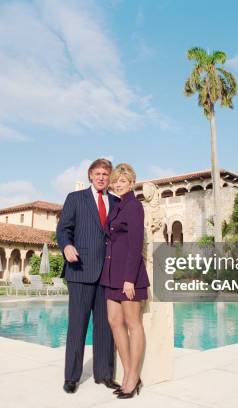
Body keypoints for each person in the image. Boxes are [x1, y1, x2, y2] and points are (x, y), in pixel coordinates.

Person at [56, 158, 121, 394]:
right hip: (80, 269)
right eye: (98, 173)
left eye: (106, 173)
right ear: (90, 175)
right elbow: (63, 229)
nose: (102, 177)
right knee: (77, 326)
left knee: (106, 326)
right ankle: (72, 377)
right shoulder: (76, 199)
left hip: (108, 274)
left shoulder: (116, 202)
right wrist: (66, 247)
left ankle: (104, 374)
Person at [99, 163, 149, 399]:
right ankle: (130, 373)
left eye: (123, 181)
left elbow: (135, 244)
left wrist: (129, 278)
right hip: (111, 274)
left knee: (133, 324)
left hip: (130, 276)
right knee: (114, 321)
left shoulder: (134, 206)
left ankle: (132, 378)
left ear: (132, 183)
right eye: (115, 181)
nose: (118, 184)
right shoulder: (117, 206)